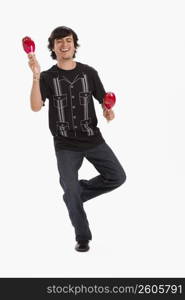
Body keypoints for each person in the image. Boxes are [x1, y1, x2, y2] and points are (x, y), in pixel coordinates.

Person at [28, 26, 126, 252]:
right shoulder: (47, 77)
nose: (64, 45)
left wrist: (108, 111)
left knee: (118, 177)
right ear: (53, 47)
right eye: (59, 42)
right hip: (65, 144)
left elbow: (104, 101)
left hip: (93, 139)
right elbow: (35, 107)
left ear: (74, 44)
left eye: (68, 40)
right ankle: (83, 236)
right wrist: (35, 76)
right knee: (70, 190)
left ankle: (73, 195)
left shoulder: (89, 72)